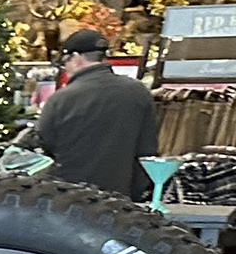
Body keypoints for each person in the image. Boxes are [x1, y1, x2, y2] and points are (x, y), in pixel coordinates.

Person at [34, 27, 158, 199]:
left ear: (76, 58)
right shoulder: (138, 91)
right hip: (121, 199)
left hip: (68, 199)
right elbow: (147, 150)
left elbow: (46, 145)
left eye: (64, 63)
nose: (65, 70)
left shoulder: (61, 99)